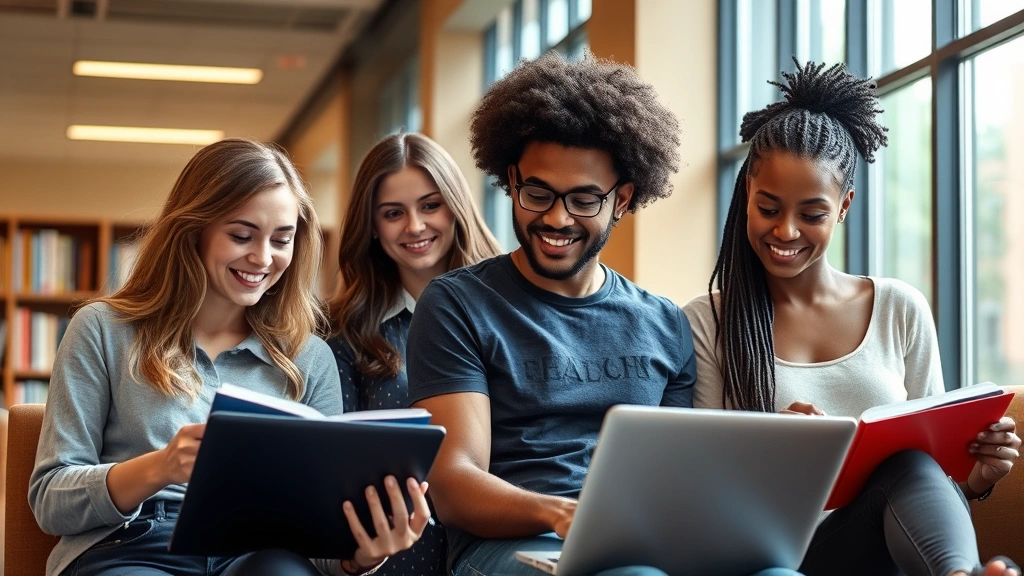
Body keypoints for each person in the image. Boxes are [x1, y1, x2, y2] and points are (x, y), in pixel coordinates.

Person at [405, 51, 798, 576]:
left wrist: (769, 453)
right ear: (510, 179)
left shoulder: (664, 324)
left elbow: (673, 477)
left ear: (624, 199)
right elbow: (453, 482)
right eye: (537, 192)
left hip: (640, 543)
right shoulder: (458, 304)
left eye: (584, 200)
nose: (557, 218)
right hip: (512, 549)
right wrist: (564, 513)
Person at [29, 138, 430, 576]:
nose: (262, 258)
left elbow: (320, 545)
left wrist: (360, 557)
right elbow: (51, 500)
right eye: (241, 235)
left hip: (259, 551)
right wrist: (160, 467)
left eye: (282, 239)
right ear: (194, 230)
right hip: (134, 545)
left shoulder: (309, 357)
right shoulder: (103, 329)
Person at [682, 60, 1021, 576]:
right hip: (776, 557)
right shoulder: (707, 322)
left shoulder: (899, 309)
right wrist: (776, 453)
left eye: (811, 214)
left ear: (844, 206)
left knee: (907, 463)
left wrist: (976, 476)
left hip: (888, 550)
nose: (787, 231)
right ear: (746, 193)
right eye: (768, 208)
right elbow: (699, 491)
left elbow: (929, 479)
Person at [327, 132, 502, 574]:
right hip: (392, 558)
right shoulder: (342, 331)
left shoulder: (511, 310)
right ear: (370, 225)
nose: (415, 226)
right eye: (392, 213)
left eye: (430, 205)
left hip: (500, 547)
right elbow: (336, 470)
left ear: (456, 207)